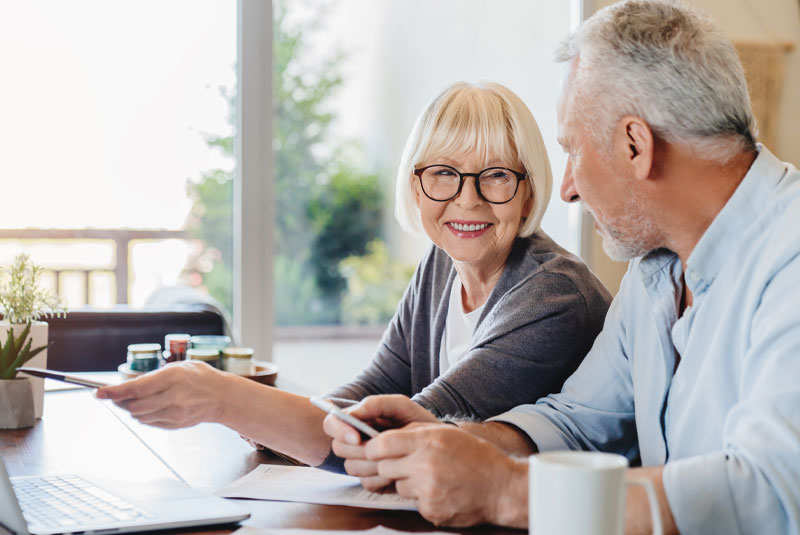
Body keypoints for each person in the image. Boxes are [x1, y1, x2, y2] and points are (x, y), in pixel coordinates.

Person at [323, 1, 800, 533]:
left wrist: (506, 490)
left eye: (573, 151)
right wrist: (453, 439)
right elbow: (578, 421)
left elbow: (771, 490)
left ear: (635, 145)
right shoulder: (654, 274)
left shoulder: (790, 260)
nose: (567, 188)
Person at [96, 82, 611, 469]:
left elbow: (401, 437)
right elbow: (374, 387)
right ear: (415, 185)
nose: (467, 199)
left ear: (528, 189)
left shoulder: (553, 295)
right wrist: (277, 423)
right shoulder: (440, 265)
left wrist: (228, 399)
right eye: (444, 174)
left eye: (496, 175)